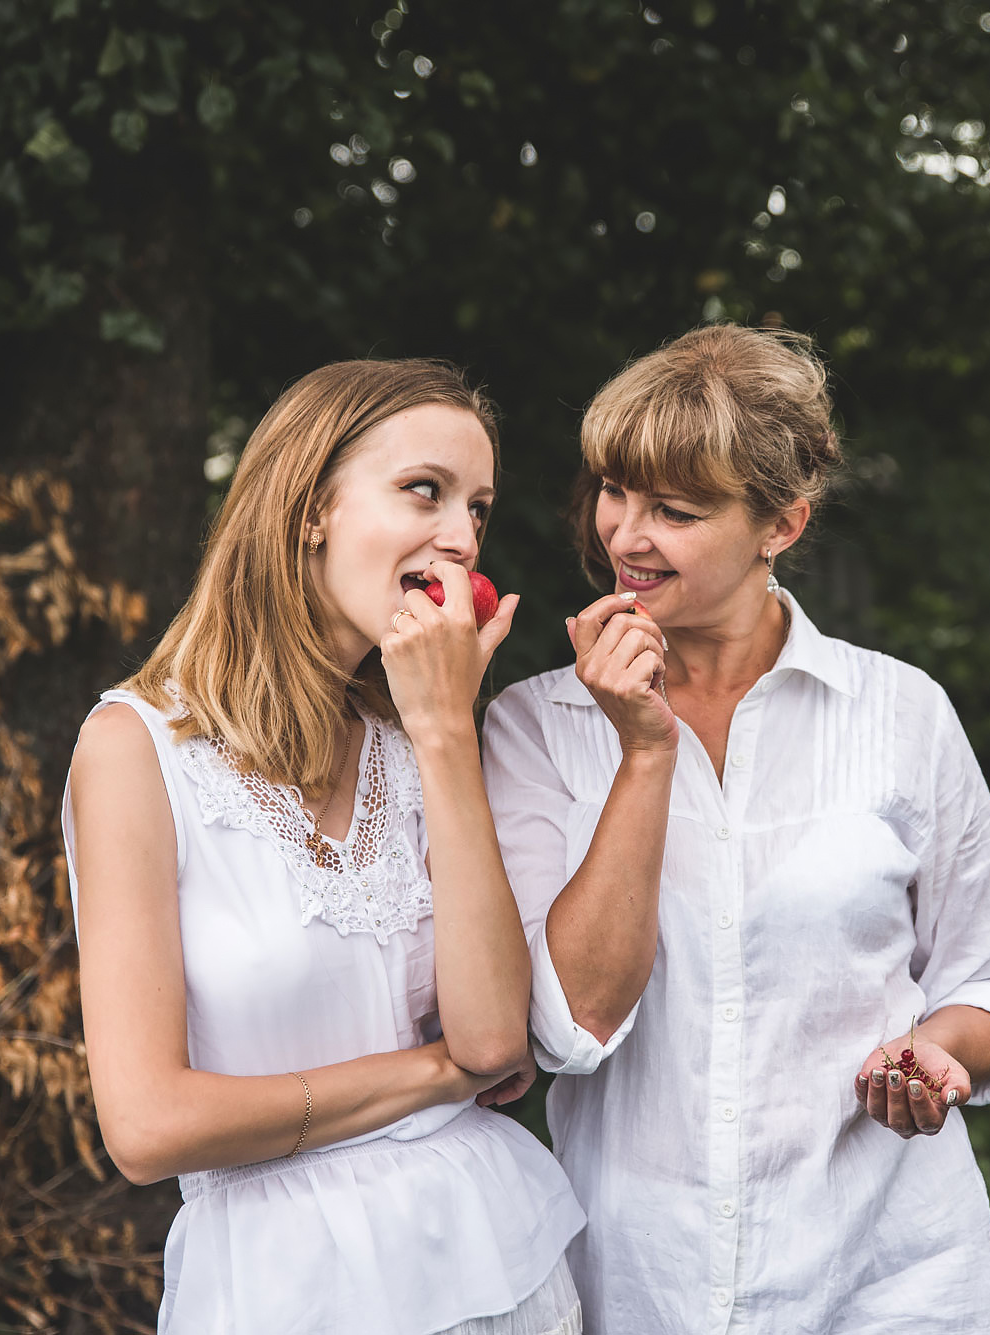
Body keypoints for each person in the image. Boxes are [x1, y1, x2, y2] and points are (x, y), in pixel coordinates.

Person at [482, 325, 990, 1332]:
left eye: (677, 510)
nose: (624, 536)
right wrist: (642, 754)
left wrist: (936, 1051)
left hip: (890, 1281)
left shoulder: (900, 712)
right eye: (615, 491)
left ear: (779, 526)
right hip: (639, 1284)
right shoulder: (535, 725)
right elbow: (565, 1028)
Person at [63, 361, 585, 1335]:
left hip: (491, 1260)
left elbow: (489, 1039)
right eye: (422, 491)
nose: (463, 537)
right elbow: (147, 1128)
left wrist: (444, 732)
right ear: (310, 508)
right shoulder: (134, 751)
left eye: (478, 507)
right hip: (284, 1289)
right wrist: (434, 1079)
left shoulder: (419, 741)